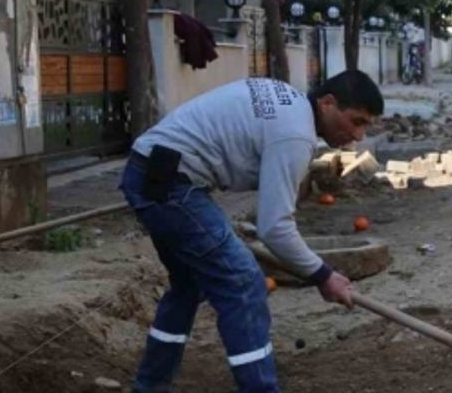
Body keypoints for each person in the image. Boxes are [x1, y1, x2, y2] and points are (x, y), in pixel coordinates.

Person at [119, 71, 384, 393]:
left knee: (188, 284)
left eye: (365, 126)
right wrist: (323, 275)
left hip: (151, 170)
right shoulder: (295, 134)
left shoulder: (290, 106)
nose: (357, 135)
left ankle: (149, 386)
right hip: (170, 183)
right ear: (327, 103)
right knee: (244, 283)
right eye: (355, 121)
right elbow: (275, 228)